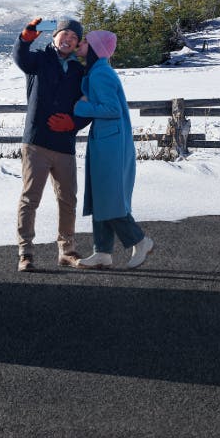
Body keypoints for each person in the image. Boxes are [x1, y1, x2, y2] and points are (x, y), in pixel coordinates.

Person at [70, 29, 155, 270]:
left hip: (111, 144)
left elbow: (111, 109)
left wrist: (80, 107)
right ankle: (102, 252)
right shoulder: (98, 70)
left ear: (95, 48)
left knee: (109, 197)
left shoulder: (100, 74)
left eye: (85, 41)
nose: (80, 43)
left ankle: (140, 241)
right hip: (107, 140)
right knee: (101, 197)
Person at [12, 16, 88, 272]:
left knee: (68, 200)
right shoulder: (39, 60)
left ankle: (67, 251)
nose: (69, 39)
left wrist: (74, 123)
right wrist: (24, 39)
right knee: (30, 198)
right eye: (65, 34)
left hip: (64, 145)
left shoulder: (79, 71)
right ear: (54, 36)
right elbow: (20, 58)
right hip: (37, 142)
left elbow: (88, 106)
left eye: (74, 37)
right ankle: (25, 253)